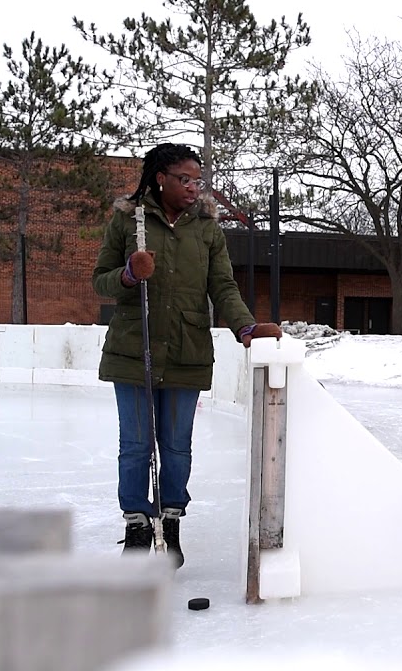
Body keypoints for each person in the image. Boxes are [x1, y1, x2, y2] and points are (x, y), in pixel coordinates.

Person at [92, 143, 281, 567]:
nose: (194, 187)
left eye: (198, 180)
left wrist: (245, 327)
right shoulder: (128, 220)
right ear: (161, 178)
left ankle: (171, 521)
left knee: (176, 447)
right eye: (185, 179)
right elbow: (99, 280)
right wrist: (128, 274)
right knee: (136, 445)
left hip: (187, 351)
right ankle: (137, 525)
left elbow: (223, 286)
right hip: (133, 350)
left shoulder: (207, 228)